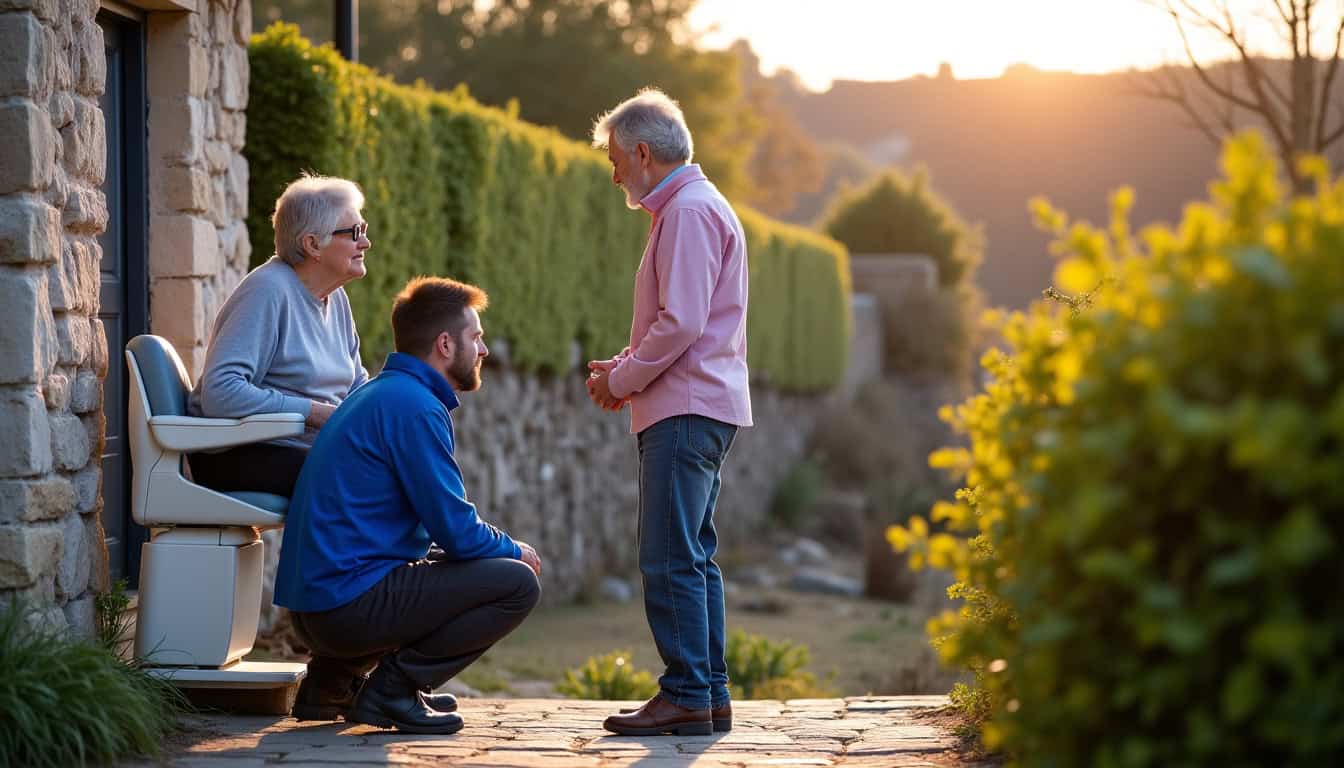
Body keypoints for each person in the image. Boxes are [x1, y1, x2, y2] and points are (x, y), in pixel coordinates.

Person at [273, 276, 543, 735]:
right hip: (344, 609)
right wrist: (515, 549)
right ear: (444, 343)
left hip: (319, 609)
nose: (484, 350)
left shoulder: (381, 393)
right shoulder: (412, 406)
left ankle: (332, 684)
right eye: (475, 337)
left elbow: (443, 539)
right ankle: (392, 692)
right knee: (515, 583)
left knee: (453, 562)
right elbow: (456, 528)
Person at [586, 88, 752, 737]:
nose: (614, 172)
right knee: (691, 554)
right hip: (700, 403)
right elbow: (688, 320)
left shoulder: (685, 211)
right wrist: (625, 363)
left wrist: (623, 378)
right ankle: (705, 693)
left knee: (669, 555)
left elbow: (681, 322)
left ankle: (687, 691)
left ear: (642, 151)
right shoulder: (696, 206)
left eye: (615, 159)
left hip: (684, 408)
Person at [187, 174, 372, 497]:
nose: (365, 243)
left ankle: (442, 544)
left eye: (364, 230)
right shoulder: (268, 290)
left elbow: (356, 386)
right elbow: (220, 392)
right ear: (313, 244)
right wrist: (314, 413)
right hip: (238, 454)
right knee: (372, 482)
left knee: (405, 462)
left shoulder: (336, 298)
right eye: (354, 233)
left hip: (300, 448)